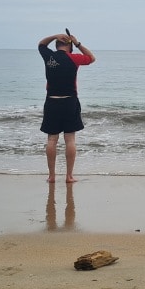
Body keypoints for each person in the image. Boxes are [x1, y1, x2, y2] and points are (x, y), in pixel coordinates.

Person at [38, 32, 95, 183]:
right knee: (70, 140)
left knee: (52, 140)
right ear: (69, 46)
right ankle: (69, 176)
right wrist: (77, 43)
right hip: (70, 102)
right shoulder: (74, 58)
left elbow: (41, 44)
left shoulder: (49, 57)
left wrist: (55, 35)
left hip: (52, 102)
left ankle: (51, 176)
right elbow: (91, 58)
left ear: (56, 46)